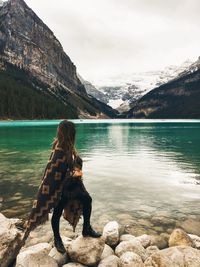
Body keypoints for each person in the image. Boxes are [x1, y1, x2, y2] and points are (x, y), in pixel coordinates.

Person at [24, 120, 101, 254]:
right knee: (57, 212)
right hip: (60, 190)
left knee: (87, 200)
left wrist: (76, 168)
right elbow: (52, 173)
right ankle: (57, 238)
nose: (75, 133)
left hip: (72, 187)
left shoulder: (69, 147)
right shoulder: (59, 150)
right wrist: (72, 172)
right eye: (73, 131)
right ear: (69, 133)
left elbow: (70, 167)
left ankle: (86, 228)